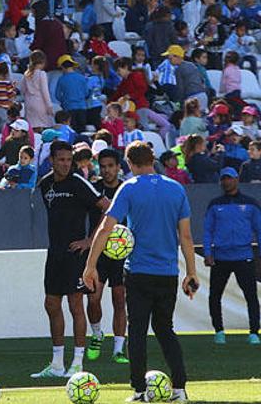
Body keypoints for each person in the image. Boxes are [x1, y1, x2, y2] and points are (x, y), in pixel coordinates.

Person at [83, 141, 198, 402]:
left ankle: (139, 390)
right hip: (168, 273)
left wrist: (90, 266)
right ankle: (179, 389)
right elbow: (187, 236)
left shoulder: (129, 188)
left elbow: (105, 229)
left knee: (137, 332)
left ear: (130, 163)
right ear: (153, 159)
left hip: (138, 272)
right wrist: (192, 272)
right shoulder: (176, 189)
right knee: (165, 329)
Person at [31, 141, 108, 379]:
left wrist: (89, 241)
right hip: (55, 254)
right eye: (61, 159)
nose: (65, 164)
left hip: (76, 255)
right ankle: (56, 364)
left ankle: (77, 363)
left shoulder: (78, 182)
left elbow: (107, 208)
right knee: (52, 305)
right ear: (52, 160)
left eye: (68, 159)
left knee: (76, 305)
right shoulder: (45, 185)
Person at [203, 167, 261, 345]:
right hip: (221, 257)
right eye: (223, 179)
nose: (226, 182)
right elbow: (207, 230)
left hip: (243, 255)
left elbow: (260, 231)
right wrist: (208, 253)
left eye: (229, 178)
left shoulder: (250, 203)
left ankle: (254, 332)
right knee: (215, 296)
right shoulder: (215, 204)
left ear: (237, 180)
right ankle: (219, 331)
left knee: (251, 296)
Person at [85, 149, 129, 364]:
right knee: (93, 298)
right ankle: (97, 334)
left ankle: (119, 349)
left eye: (111, 166)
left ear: (118, 167)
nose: (107, 170)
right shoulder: (94, 190)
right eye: (103, 166)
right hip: (99, 253)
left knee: (120, 300)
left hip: (122, 254)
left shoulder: (127, 189)